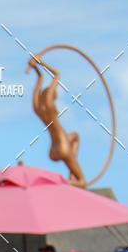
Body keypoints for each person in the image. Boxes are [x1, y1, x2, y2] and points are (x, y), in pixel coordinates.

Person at [26, 55, 86, 186]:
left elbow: (37, 89)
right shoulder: (50, 107)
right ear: (51, 97)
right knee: (82, 182)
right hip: (63, 146)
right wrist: (42, 63)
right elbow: (57, 74)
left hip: (53, 149)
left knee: (75, 136)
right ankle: (60, 182)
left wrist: (37, 72)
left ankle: (70, 174)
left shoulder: (38, 110)